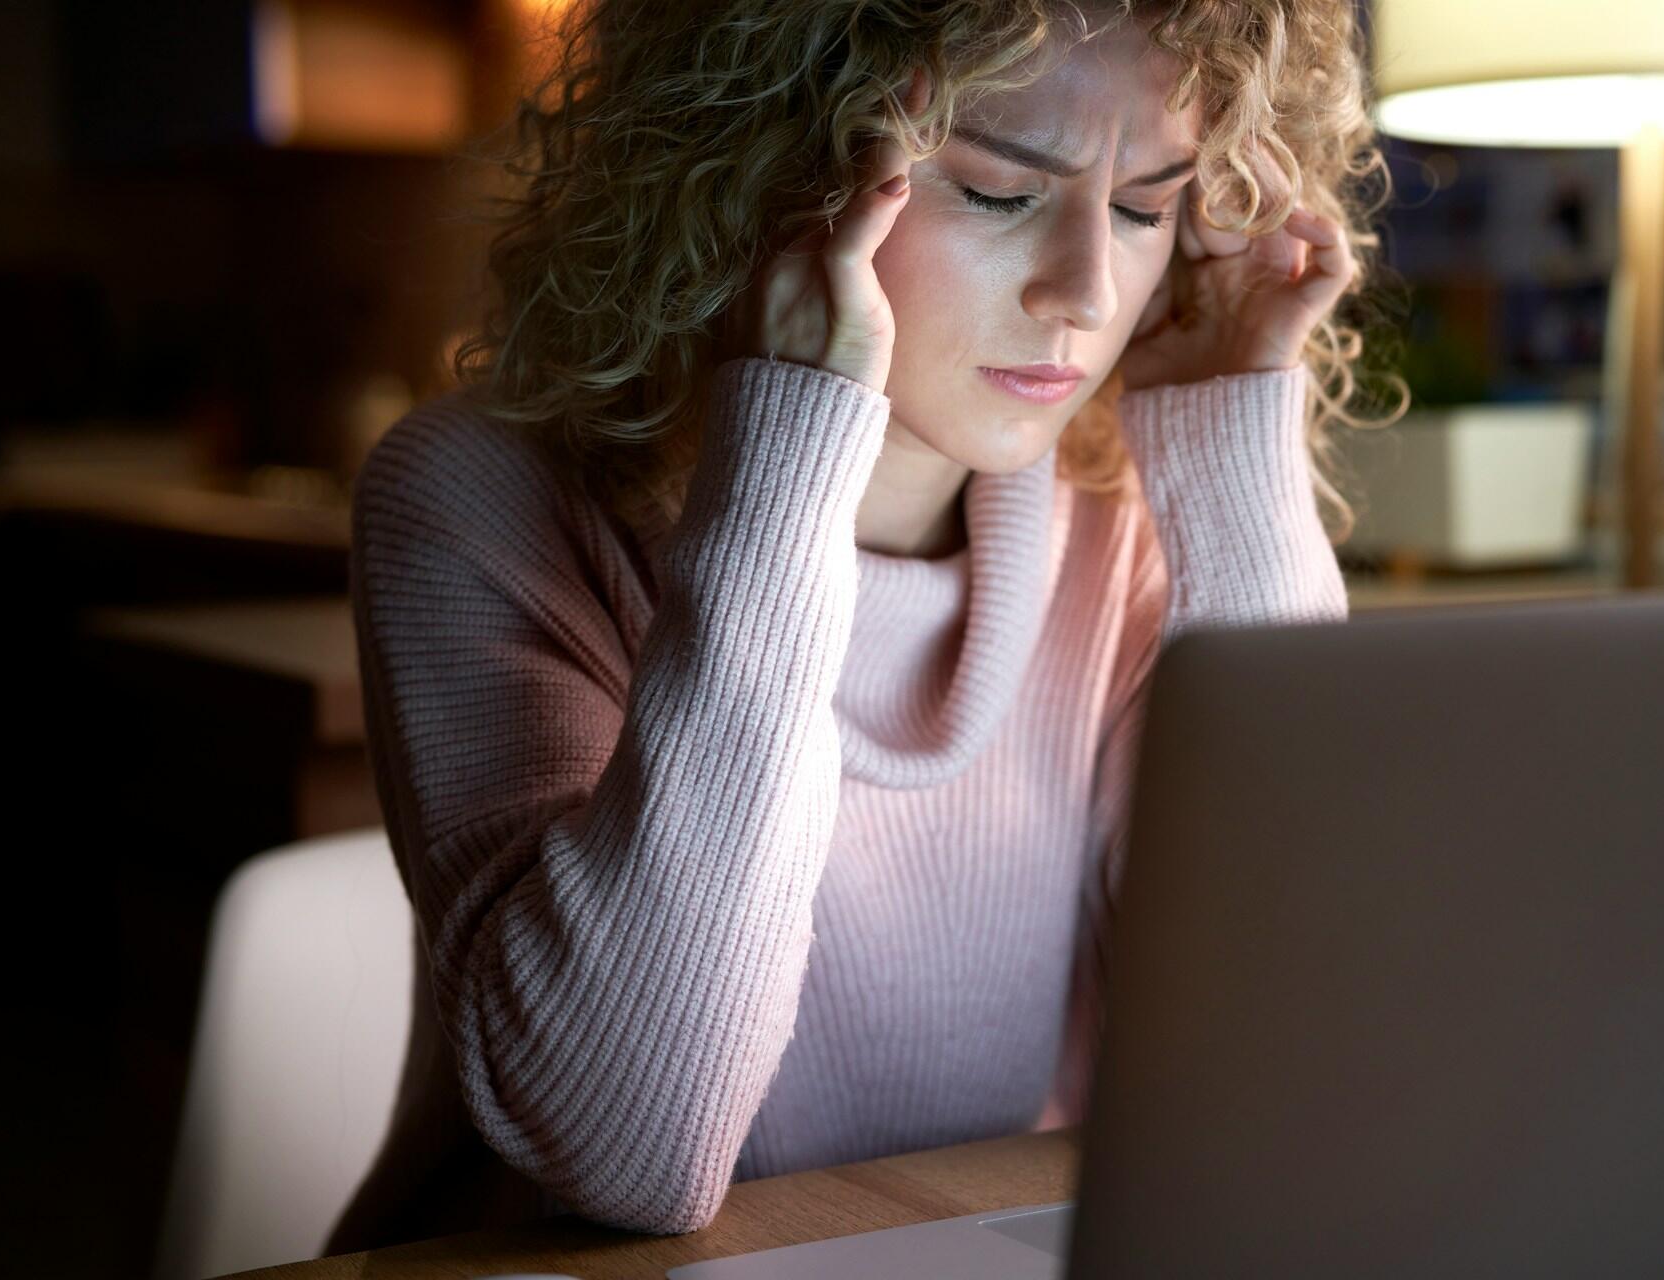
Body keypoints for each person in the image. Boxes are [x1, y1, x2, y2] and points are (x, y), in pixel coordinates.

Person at [326, 0, 1403, 1254]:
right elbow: (626, 1152)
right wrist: (787, 449)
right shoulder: (475, 495)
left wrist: (1230, 454)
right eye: (999, 191)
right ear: (759, 175)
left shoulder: (1125, 531)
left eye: (1147, 204)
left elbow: (1306, 1073)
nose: (1086, 291)